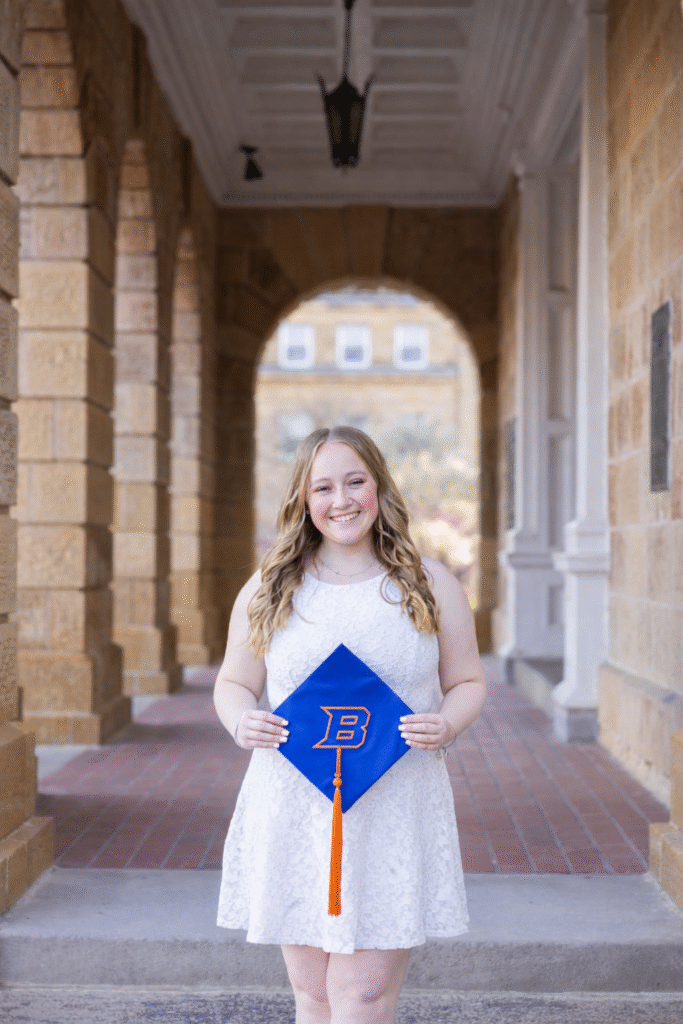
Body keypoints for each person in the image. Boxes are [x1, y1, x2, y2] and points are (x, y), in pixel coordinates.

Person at [214, 425, 487, 1024]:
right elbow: (233, 682)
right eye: (324, 487)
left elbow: (467, 681)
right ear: (304, 501)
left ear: (379, 487)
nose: (342, 501)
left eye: (356, 481)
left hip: (393, 802)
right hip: (295, 803)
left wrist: (447, 724)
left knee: (362, 996)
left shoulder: (427, 582)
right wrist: (242, 722)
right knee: (312, 996)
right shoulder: (271, 587)